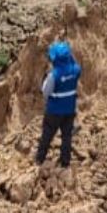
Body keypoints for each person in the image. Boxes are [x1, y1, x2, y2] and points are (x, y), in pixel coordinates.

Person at [35, 40, 80, 168]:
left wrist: (44, 80)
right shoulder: (76, 70)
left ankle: (40, 158)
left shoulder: (53, 75)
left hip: (54, 111)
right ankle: (65, 161)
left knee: (47, 135)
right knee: (67, 136)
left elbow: (45, 92)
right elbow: (74, 66)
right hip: (69, 110)